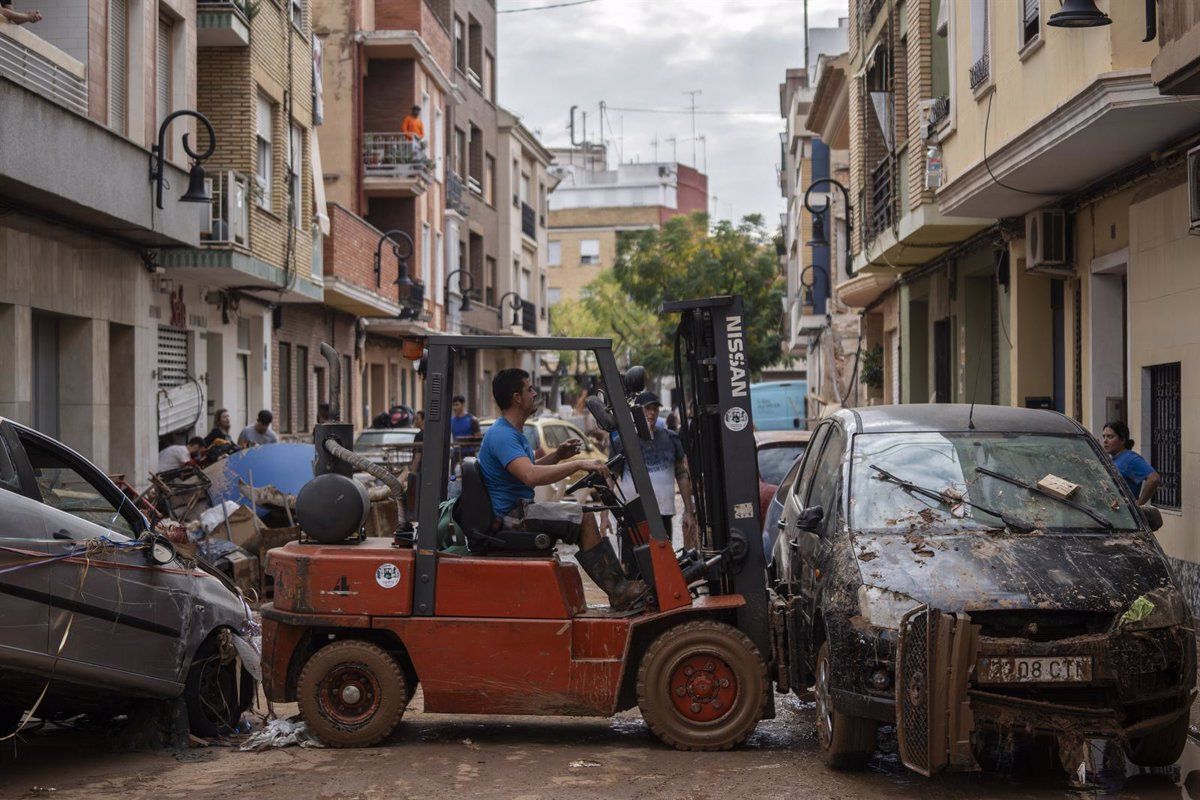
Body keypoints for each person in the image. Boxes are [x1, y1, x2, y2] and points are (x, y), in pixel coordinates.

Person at [478, 368, 644, 610]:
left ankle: (619, 586)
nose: (535, 393)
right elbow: (530, 476)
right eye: (530, 389)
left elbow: (527, 469)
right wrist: (578, 463)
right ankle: (618, 590)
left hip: (518, 510)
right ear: (516, 398)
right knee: (585, 518)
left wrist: (558, 455)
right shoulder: (502, 435)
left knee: (581, 512)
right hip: (512, 516)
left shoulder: (513, 433)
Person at [611, 392, 699, 550]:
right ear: (637, 412)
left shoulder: (671, 438)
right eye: (647, 408)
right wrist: (605, 516)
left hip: (663, 512)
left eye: (655, 409)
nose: (652, 413)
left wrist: (689, 511)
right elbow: (611, 478)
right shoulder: (622, 442)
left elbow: (682, 475)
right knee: (634, 565)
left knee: (663, 559)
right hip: (633, 515)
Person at [1101, 420, 1161, 506]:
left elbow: (1154, 479)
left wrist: (1139, 504)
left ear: (1122, 440)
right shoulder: (1112, 459)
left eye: (1110, 437)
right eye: (1104, 437)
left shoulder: (1130, 458)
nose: (1105, 441)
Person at [450, 395, 481, 459]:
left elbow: (478, 439)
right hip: (456, 453)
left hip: (469, 454)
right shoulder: (451, 421)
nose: (454, 408)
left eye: (457, 405)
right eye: (453, 405)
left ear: (463, 405)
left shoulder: (472, 420)